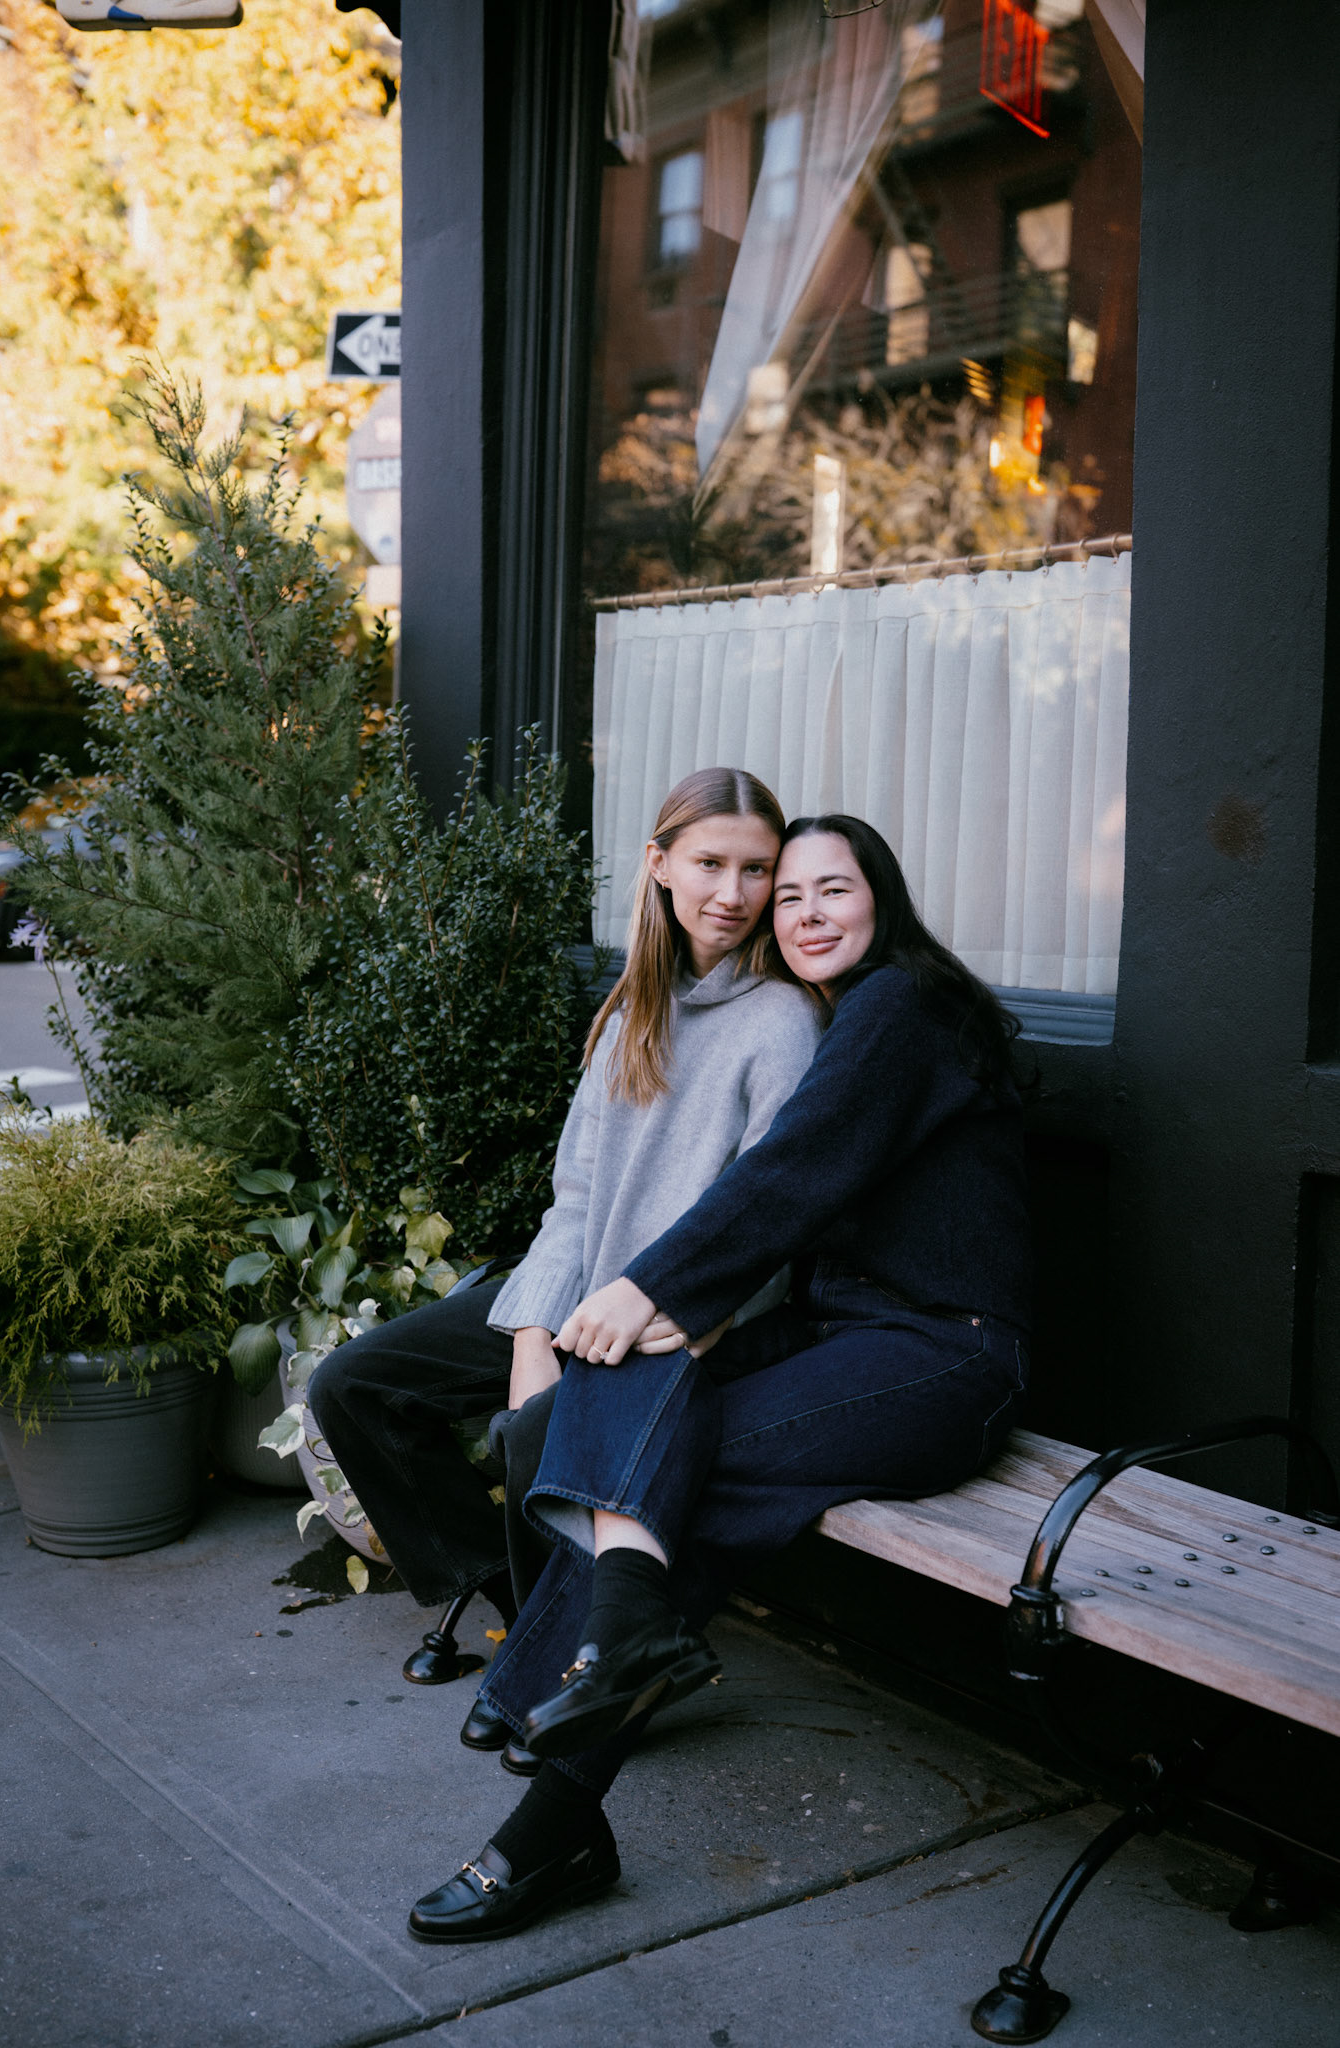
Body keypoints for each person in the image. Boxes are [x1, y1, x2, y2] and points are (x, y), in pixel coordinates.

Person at [406, 814, 1032, 1944]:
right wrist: (636, 1312)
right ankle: (616, 1645)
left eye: (829, 889)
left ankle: (553, 1806)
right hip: (839, 1330)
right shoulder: (848, 1017)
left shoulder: (906, 1005)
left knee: (671, 1455)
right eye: (786, 896)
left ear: (880, 899)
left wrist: (653, 1285)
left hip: (944, 1354)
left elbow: (788, 1176)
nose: (802, 913)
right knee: (625, 1370)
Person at [307, 767, 821, 1766]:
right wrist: (532, 1331)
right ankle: (528, 1621)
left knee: (532, 1431)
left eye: (756, 868)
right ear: (659, 864)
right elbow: (575, 1199)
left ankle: (556, 1668)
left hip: (678, 1319)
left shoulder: (782, 1022)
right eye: (710, 862)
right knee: (355, 1384)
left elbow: (773, 1224)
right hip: (580, 1287)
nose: (732, 891)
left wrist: (644, 1319)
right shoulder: (637, 1003)